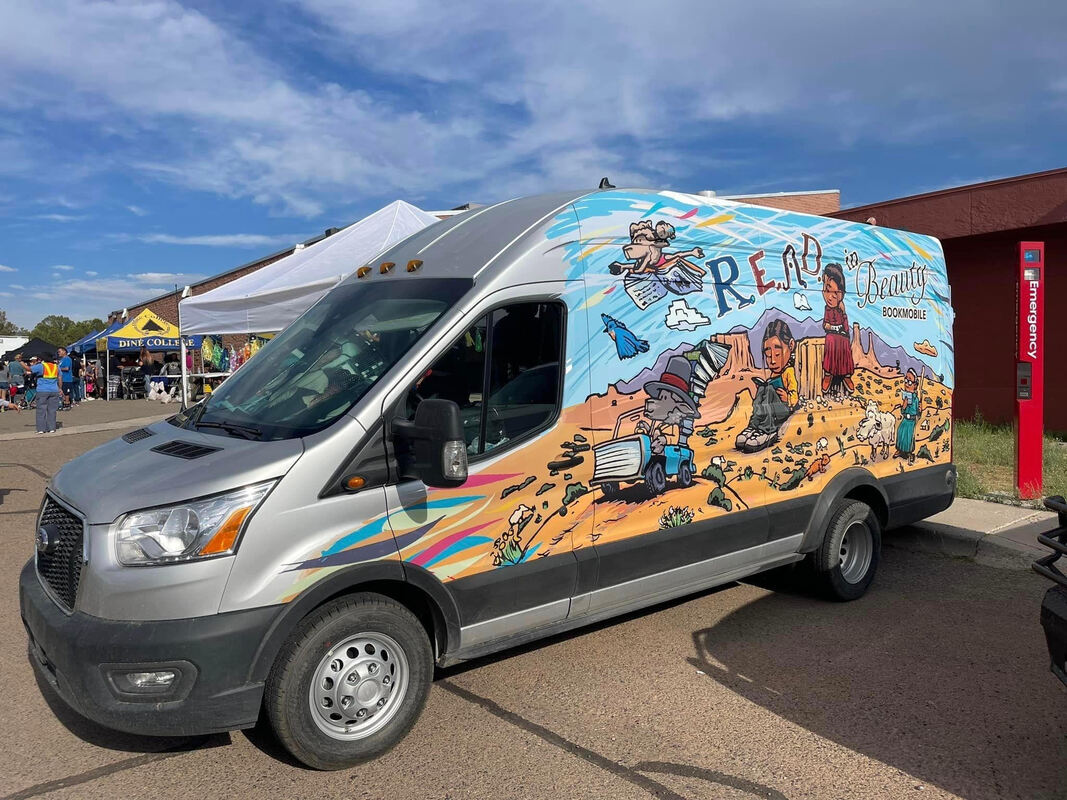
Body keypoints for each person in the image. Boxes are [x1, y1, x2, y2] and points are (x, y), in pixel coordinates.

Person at [736, 319, 799, 453]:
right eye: (768, 356)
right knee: (763, 388)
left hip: (783, 410)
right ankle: (754, 426)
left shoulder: (788, 372)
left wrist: (788, 398)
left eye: (777, 354)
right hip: (772, 410)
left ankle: (767, 430)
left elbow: (794, 394)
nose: (773, 361)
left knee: (769, 389)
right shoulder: (773, 374)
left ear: (791, 345)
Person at [820, 263, 855, 397]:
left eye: (834, 294)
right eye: (826, 290)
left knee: (845, 343)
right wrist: (828, 326)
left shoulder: (841, 310)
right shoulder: (827, 309)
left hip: (841, 336)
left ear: (841, 294)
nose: (829, 297)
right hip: (832, 336)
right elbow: (825, 324)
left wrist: (844, 313)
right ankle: (828, 374)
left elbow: (846, 328)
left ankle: (846, 375)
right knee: (830, 340)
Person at [28, 352, 62, 433]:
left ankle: (41, 429)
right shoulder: (56, 367)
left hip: (42, 390)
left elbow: (29, 369)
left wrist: (21, 362)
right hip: (54, 390)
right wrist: (60, 388)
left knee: (41, 410)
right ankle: (52, 428)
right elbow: (60, 378)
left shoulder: (41, 366)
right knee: (52, 410)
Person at [895, 368, 922, 463]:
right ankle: (900, 449)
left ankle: (909, 453)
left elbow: (918, 414)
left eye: (909, 382)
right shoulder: (906, 397)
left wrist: (920, 410)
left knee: (908, 436)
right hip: (905, 419)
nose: (907, 383)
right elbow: (903, 411)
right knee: (900, 431)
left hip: (911, 421)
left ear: (914, 385)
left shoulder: (915, 399)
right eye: (906, 380)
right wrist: (904, 405)